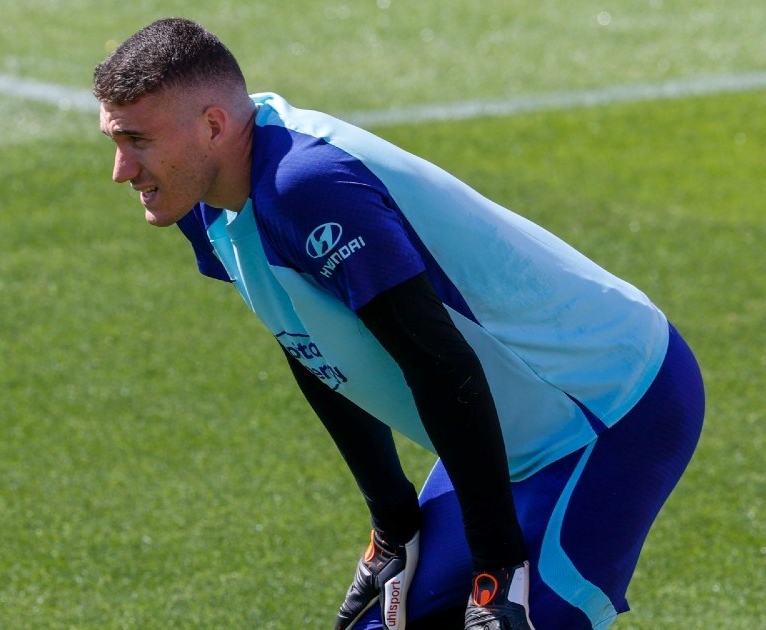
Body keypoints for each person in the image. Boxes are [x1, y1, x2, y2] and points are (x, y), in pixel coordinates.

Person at [92, 18, 704, 630]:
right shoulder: (206, 201)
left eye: (137, 140)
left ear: (212, 126)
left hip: (608, 411)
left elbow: (439, 364)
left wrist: (496, 567)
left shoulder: (306, 186)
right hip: (510, 434)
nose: (121, 170)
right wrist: (392, 521)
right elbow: (309, 342)